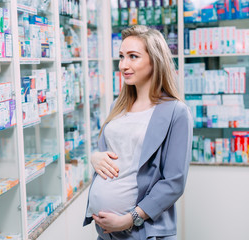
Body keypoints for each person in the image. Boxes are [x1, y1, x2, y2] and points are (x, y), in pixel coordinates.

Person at [83, 25, 193, 240]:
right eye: (121, 57)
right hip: (106, 234)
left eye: (133, 57)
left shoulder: (176, 112)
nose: (123, 65)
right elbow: (114, 155)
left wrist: (130, 218)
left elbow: (174, 182)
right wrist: (95, 157)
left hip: (144, 232)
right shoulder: (119, 104)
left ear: (155, 61)